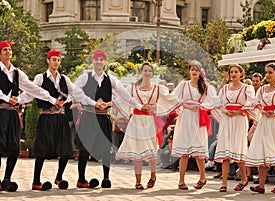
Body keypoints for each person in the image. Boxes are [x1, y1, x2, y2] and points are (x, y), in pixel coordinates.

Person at [20, 49, 102, 191]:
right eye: (53, 59)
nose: (56, 62)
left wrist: (92, 103)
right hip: (46, 117)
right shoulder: (41, 78)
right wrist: (19, 99)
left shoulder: (64, 79)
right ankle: (36, 180)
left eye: (58, 60)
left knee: (66, 150)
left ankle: (59, 177)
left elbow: (76, 93)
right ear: (48, 60)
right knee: (42, 150)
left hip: (61, 117)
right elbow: (31, 92)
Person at [74, 50, 150, 189]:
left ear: (105, 62)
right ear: (93, 61)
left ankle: (106, 178)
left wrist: (139, 106)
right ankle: (81, 178)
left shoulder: (111, 79)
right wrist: (93, 103)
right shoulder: (85, 77)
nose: (99, 62)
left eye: (101, 60)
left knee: (106, 148)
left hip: (104, 117)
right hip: (89, 115)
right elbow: (75, 92)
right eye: (96, 59)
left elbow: (124, 94)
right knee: (84, 148)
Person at [0, 41, 62, 192]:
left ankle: (6, 179)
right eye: (5, 50)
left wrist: (53, 100)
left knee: (15, 148)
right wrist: (8, 99)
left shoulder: (17, 73)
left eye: (9, 49)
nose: (8, 52)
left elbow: (33, 89)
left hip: (12, 114)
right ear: (0, 53)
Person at [116, 62, 181, 190]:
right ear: (141, 72)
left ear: (152, 73)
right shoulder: (133, 88)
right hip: (136, 120)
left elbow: (169, 100)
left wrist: (154, 106)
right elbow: (124, 99)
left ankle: (153, 175)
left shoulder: (157, 88)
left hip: (149, 120)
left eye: (150, 71)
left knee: (151, 149)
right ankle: (138, 180)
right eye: (145, 71)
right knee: (136, 151)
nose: (147, 73)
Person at [171, 60, 219, 190]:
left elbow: (214, 101)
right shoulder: (183, 85)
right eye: (192, 69)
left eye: (196, 70)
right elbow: (173, 97)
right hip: (186, 117)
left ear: (200, 72)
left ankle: (203, 177)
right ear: (189, 71)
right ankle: (181, 181)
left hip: (198, 118)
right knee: (184, 152)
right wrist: (184, 104)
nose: (194, 72)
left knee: (198, 151)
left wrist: (202, 106)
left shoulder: (205, 86)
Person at [214, 64, 257, 192]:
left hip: (239, 119)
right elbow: (219, 103)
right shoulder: (225, 88)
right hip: (227, 119)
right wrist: (225, 111)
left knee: (238, 147)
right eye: (231, 72)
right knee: (226, 149)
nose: (233, 74)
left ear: (241, 74)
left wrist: (239, 112)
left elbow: (251, 102)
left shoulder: (246, 88)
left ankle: (244, 178)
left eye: (236, 72)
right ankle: (224, 183)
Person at [247, 63, 275, 194]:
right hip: (264, 121)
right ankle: (261, 185)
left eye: (271, 72)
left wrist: (274, 112)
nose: (268, 75)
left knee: (274, 150)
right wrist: (261, 109)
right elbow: (254, 101)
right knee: (261, 151)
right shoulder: (262, 89)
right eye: (266, 72)